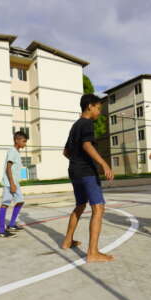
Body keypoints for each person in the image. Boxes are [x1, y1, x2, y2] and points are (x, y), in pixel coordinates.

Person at [61, 94, 114, 263]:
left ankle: (67, 241)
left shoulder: (75, 125)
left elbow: (66, 152)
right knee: (98, 208)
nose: (99, 112)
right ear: (90, 106)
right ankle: (93, 252)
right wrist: (103, 164)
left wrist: (77, 162)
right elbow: (86, 144)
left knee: (80, 205)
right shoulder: (87, 123)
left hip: (74, 171)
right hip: (86, 172)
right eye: (98, 108)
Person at [0, 131, 28, 238]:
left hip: (15, 183)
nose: (25, 144)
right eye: (24, 141)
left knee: (20, 201)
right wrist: (12, 184)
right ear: (17, 140)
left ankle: (12, 224)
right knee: (5, 203)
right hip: (9, 183)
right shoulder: (12, 151)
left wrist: (15, 184)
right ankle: (1, 230)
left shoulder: (16, 152)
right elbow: (8, 168)